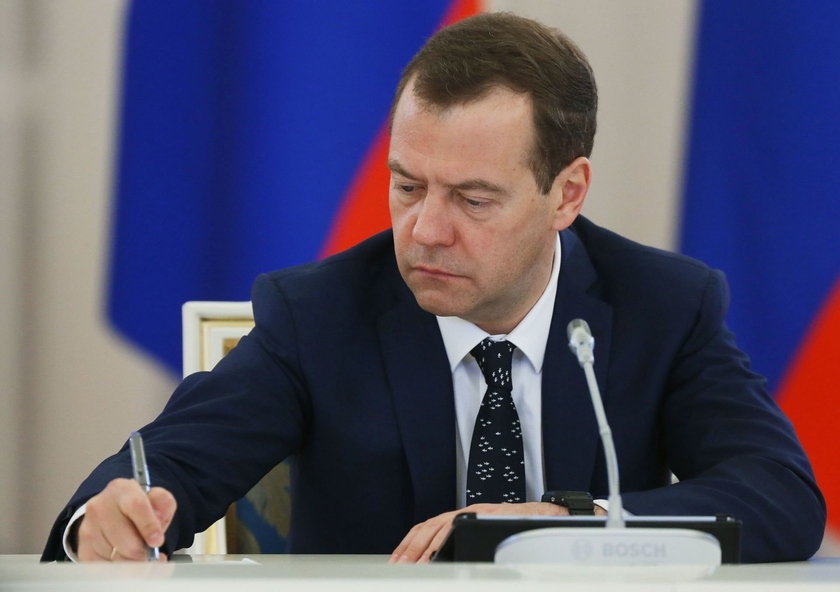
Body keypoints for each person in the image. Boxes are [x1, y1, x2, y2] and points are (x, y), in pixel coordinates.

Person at [42, 12, 825, 564]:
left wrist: (566, 519)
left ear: (567, 193)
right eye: (408, 186)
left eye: (473, 200)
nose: (424, 230)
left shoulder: (662, 305)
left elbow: (780, 496)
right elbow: (168, 465)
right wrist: (107, 517)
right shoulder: (320, 314)